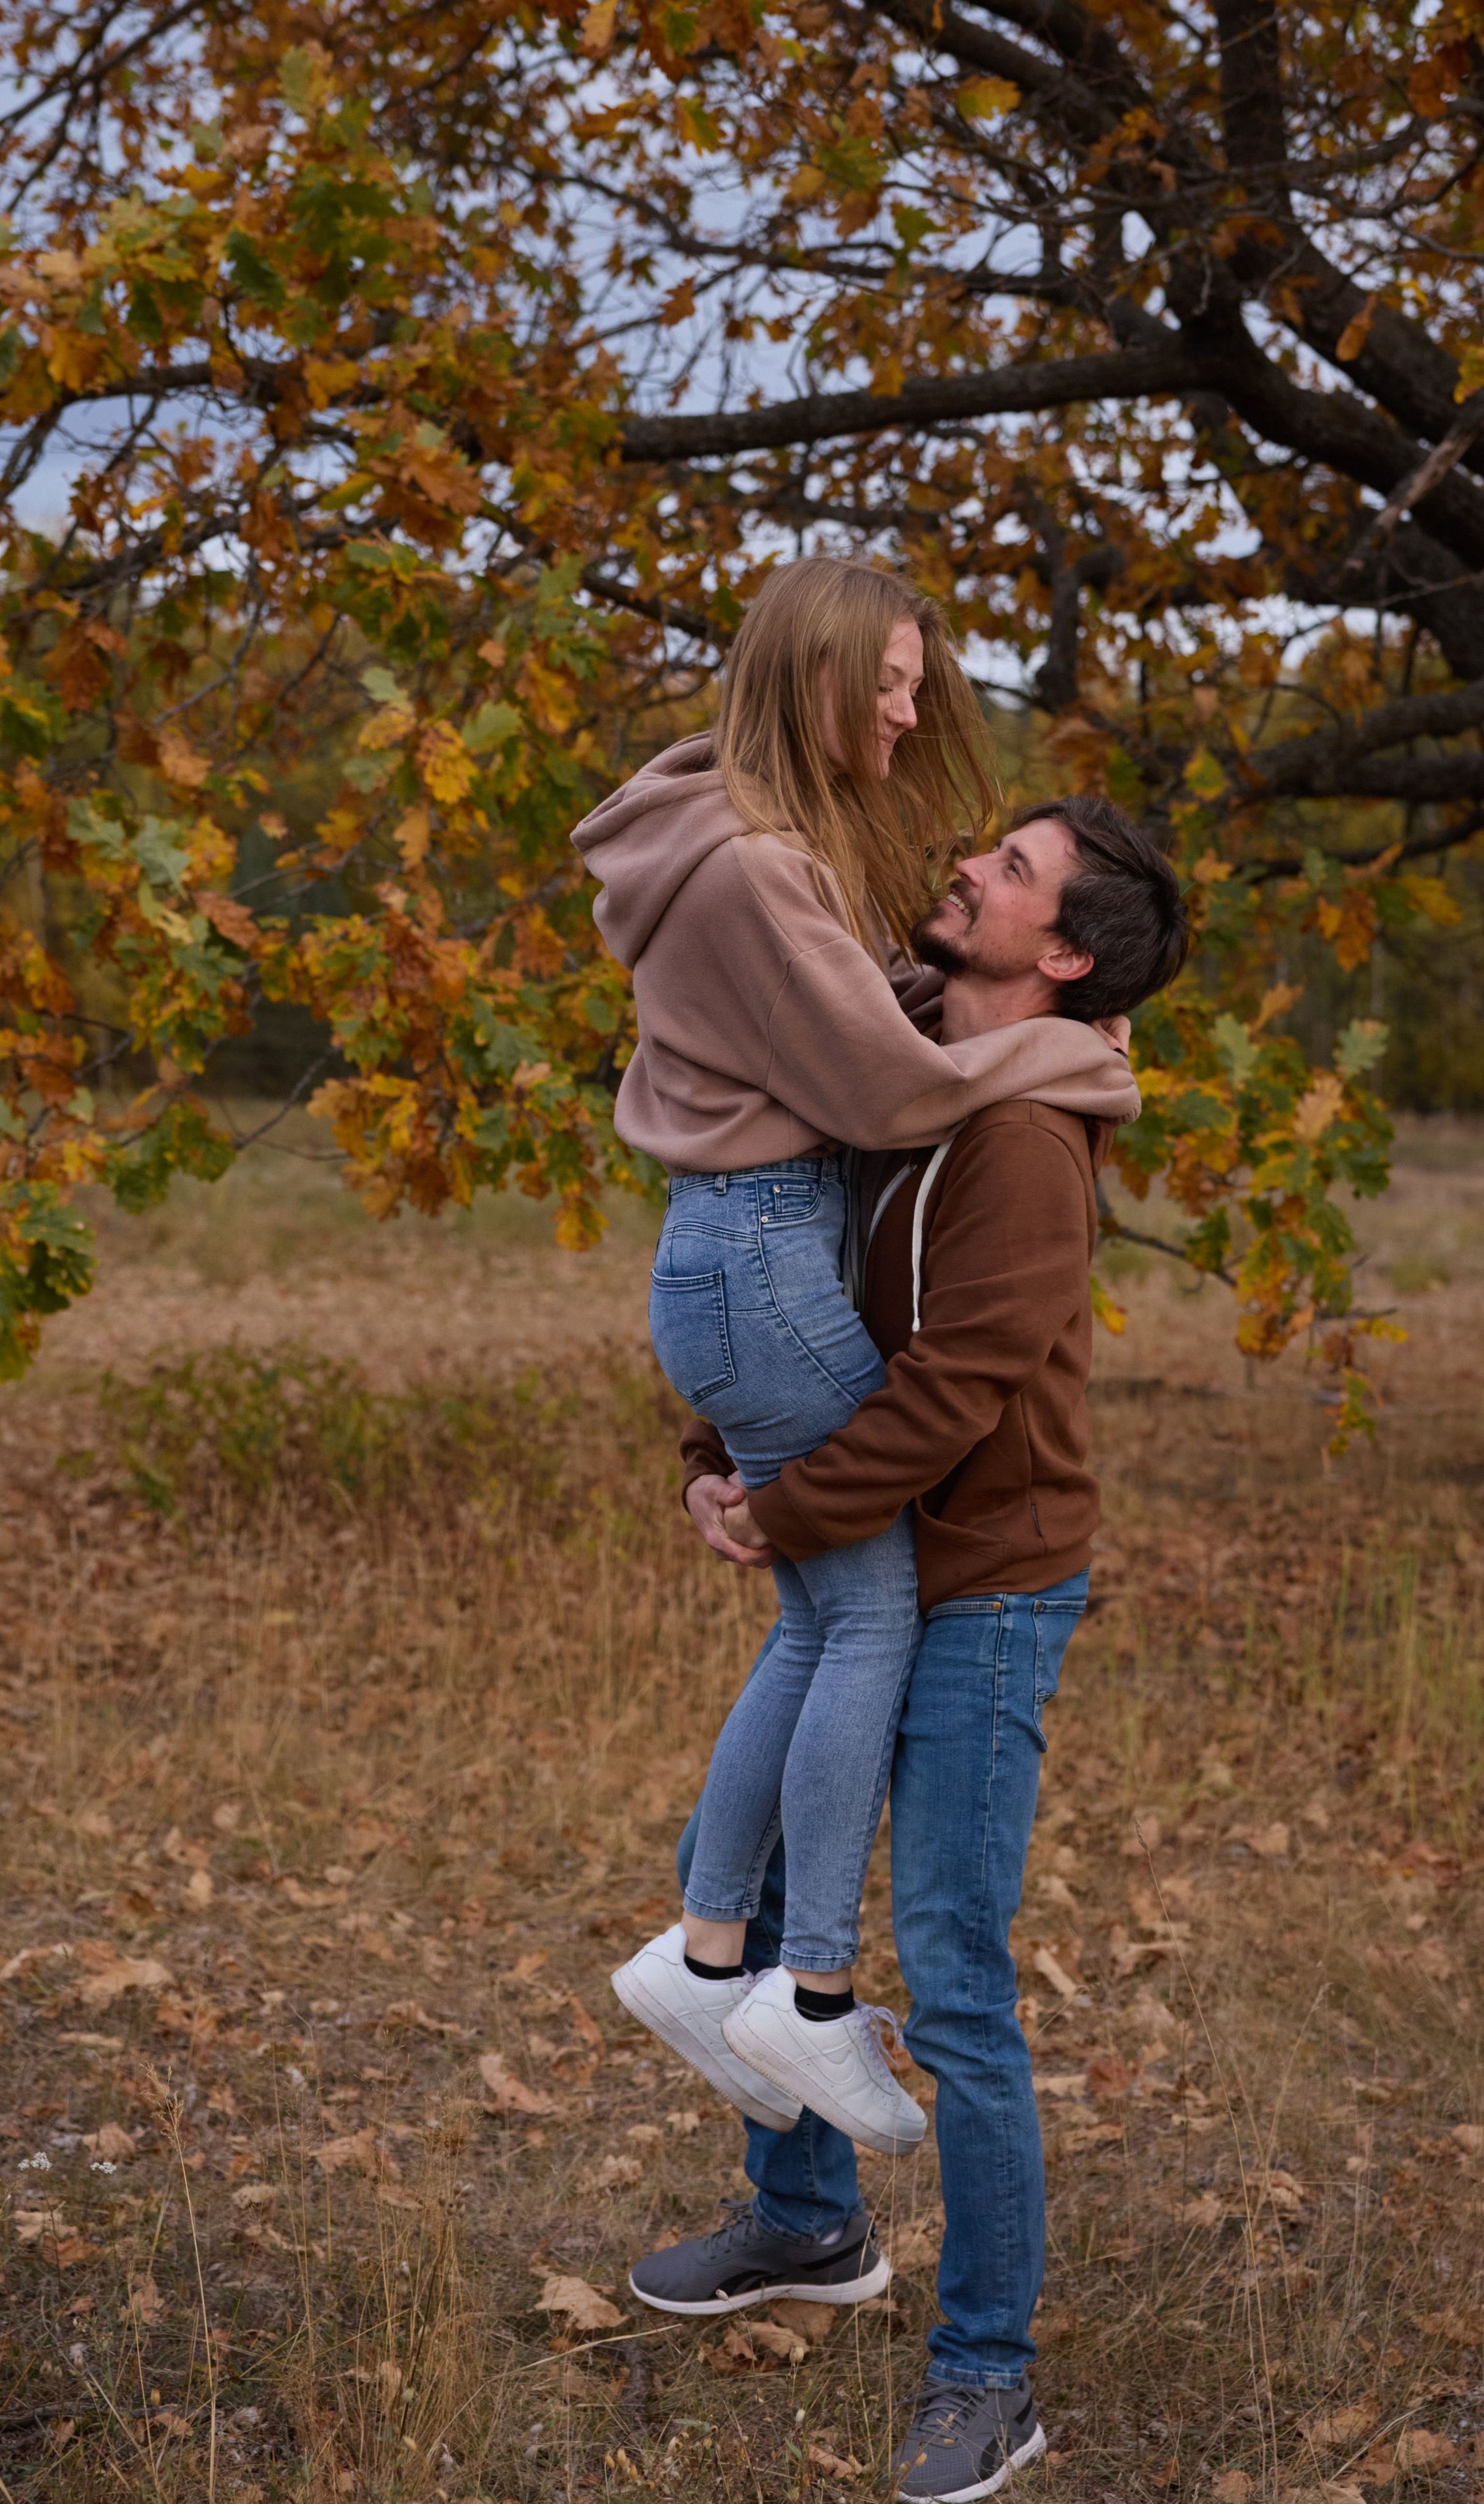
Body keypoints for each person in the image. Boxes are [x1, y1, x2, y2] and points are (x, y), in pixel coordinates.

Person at [627, 794, 1191, 2504]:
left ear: (1067, 956)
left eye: (1011, 871)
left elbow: (958, 1383)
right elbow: (786, 1271)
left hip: (984, 1589)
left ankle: (986, 2373)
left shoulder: (1018, 1137)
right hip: (865, 1552)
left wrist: (788, 1512)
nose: (968, 867)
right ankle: (806, 2224)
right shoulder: (889, 1058)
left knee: (950, 1972)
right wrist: (724, 1451)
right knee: (744, 1886)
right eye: (987, 848)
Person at [570, 559, 1141, 2155]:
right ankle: (800, 1989)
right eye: (887, 681)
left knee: (821, 1623)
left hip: (739, 1253)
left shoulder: (720, 831)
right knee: (863, 1615)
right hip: (757, 1248)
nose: (905, 711)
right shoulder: (757, 864)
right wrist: (1069, 1054)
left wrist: (735, 1462)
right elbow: (888, 1089)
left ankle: (707, 1957)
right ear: (815, 675)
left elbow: (849, 1028)